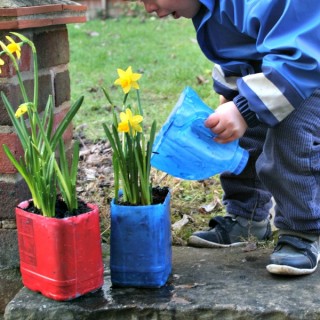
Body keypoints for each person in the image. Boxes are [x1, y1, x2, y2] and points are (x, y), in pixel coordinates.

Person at [139, 0, 320, 276]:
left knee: (290, 135)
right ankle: (247, 217)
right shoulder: (207, 13)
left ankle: (302, 231)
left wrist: (244, 108)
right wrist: (231, 97)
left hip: (309, 74)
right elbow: (235, 57)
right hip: (278, 75)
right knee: (241, 134)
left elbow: (301, 57)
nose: (149, 8)